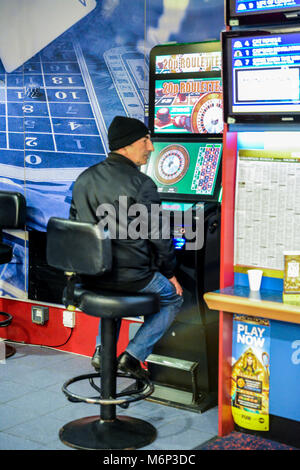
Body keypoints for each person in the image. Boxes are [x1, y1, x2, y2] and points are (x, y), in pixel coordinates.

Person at [69, 115, 183, 379]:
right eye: (146, 140)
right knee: (174, 298)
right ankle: (133, 356)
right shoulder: (142, 184)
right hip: (133, 278)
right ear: (127, 145)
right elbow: (160, 238)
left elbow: (76, 229)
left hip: (92, 276)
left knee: (112, 297)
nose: (151, 147)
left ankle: (102, 352)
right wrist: (169, 273)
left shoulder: (84, 179)